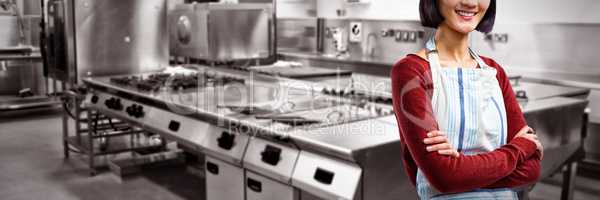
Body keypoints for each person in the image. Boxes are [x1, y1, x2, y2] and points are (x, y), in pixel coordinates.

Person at [390, 0, 543, 199]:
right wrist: (522, 147)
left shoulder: (494, 72)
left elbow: (531, 171)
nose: (470, 2)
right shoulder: (411, 71)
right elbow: (444, 177)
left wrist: (460, 171)